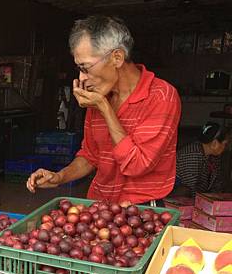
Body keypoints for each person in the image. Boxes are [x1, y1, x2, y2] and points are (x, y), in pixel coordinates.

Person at [27, 16, 181, 204]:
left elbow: (137, 165)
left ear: (117, 57)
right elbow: (91, 156)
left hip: (142, 212)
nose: (82, 78)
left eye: (86, 67)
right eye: (79, 68)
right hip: (100, 208)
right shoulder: (100, 96)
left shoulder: (161, 96)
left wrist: (105, 108)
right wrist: (59, 177)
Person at [175, 122, 231, 197]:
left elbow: (217, 183)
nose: (226, 148)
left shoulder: (213, 156)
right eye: (225, 144)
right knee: (185, 191)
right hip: (182, 194)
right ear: (214, 144)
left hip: (201, 196)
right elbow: (191, 188)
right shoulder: (192, 155)